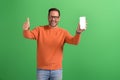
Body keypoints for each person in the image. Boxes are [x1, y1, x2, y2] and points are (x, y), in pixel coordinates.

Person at [23, 8, 86, 80]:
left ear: (59, 18)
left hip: (57, 71)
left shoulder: (63, 32)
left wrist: (78, 32)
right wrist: (26, 29)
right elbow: (28, 35)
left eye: (56, 17)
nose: (53, 19)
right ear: (48, 17)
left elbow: (75, 42)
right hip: (42, 70)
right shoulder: (40, 29)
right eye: (51, 16)